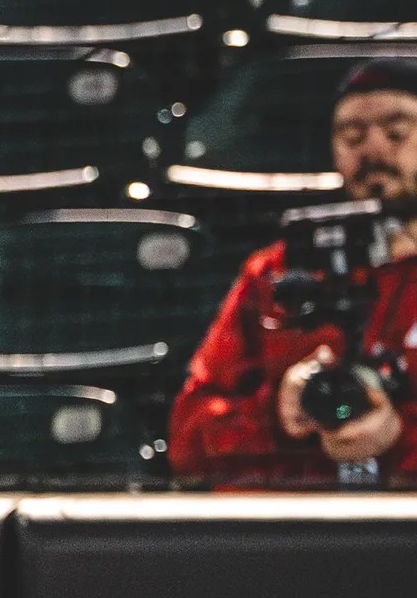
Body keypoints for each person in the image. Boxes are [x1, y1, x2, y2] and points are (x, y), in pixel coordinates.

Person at [169, 58, 417, 487]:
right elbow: (186, 440)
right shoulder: (276, 271)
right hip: (295, 534)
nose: (373, 150)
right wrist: (276, 415)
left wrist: (401, 438)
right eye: (351, 135)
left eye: (397, 132)